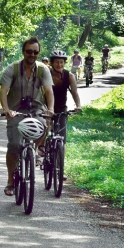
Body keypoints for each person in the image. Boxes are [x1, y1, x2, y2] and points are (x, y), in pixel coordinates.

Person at [0, 37, 54, 196]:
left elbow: (49, 91)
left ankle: (35, 150)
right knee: (14, 145)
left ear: (38, 53)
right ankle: (10, 180)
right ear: (23, 52)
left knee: (45, 124)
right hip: (16, 110)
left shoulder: (43, 69)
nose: (32, 54)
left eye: (35, 52)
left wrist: (50, 109)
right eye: (29, 51)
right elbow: (3, 92)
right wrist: (7, 109)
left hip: (36, 109)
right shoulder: (13, 69)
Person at [49, 50, 82, 180]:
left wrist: (78, 105)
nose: (59, 64)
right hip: (46, 109)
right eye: (56, 62)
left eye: (61, 62)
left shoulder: (69, 76)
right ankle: (40, 150)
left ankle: (60, 168)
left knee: (62, 140)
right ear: (51, 63)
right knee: (44, 130)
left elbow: (74, 92)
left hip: (61, 109)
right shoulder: (46, 74)